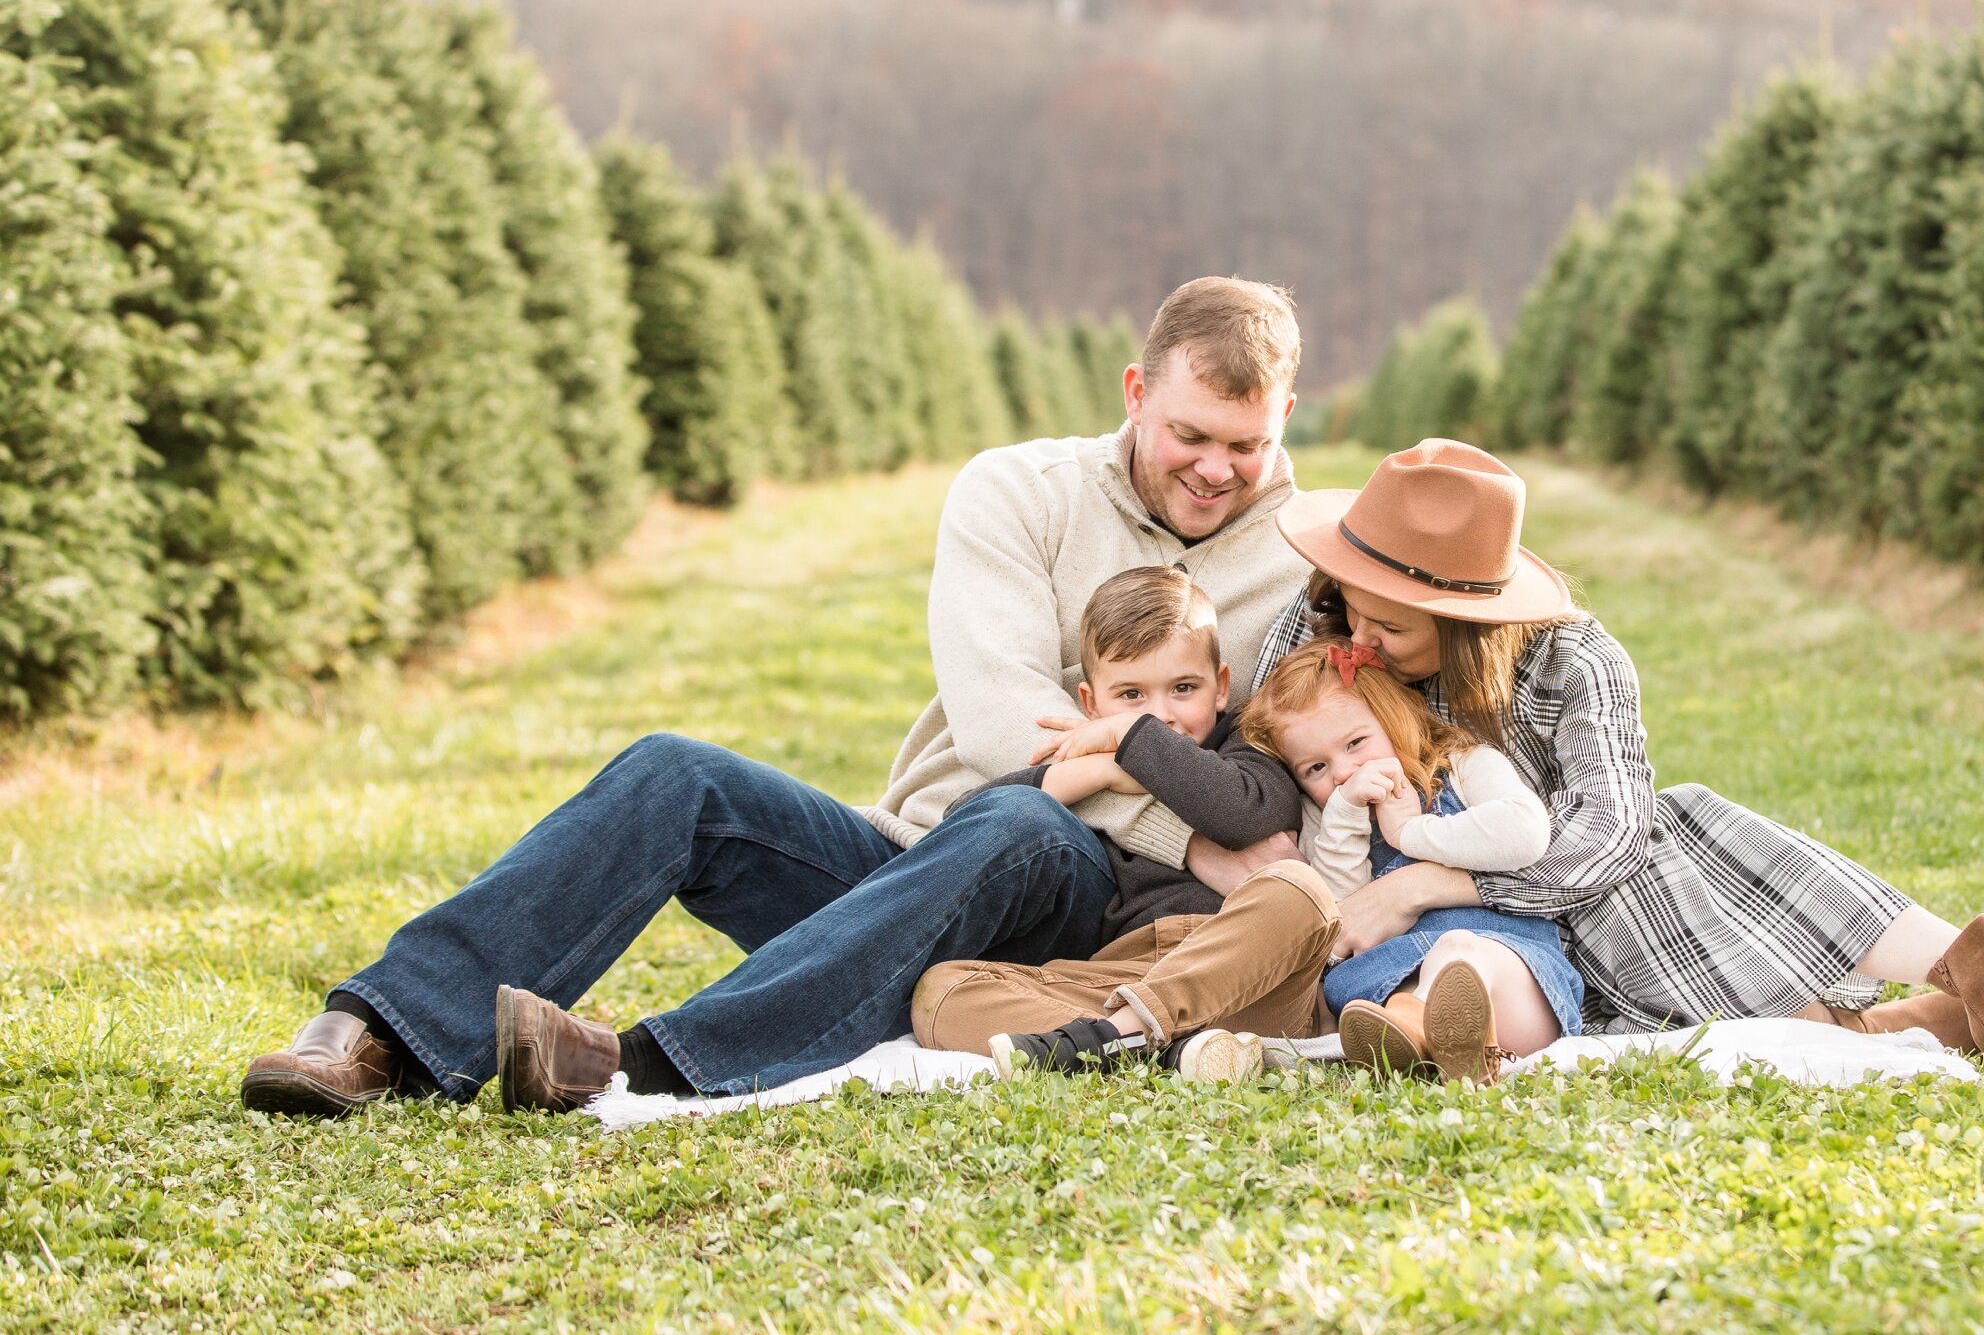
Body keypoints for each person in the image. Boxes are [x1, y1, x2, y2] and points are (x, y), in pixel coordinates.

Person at [240, 277, 1313, 1116]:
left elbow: (1296, 755)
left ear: (1283, 425)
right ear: (1135, 393)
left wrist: (1149, 830)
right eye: (1190, 435)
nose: (1216, 469)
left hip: (1088, 914)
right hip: (914, 854)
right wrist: (1191, 836)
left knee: (1030, 820)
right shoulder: (1017, 492)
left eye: (1246, 445)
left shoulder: (1304, 560)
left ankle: (637, 1060)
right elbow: (1001, 732)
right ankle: (380, 1028)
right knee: (677, 775)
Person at [1246, 438, 1984, 1077]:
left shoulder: (1576, 661)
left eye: (1391, 625)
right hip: (1439, 911)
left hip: (1578, 894)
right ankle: (1919, 1018)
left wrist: (1432, 880)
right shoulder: (1330, 624)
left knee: (1679, 821)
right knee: (1658, 848)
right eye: (1352, 608)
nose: (1358, 636)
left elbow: (1607, 841)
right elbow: (1264, 740)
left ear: (1472, 621)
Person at [910, 566, 1336, 1082]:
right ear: (1090, 704)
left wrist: (1132, 739)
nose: (1161, 716)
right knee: (942, 991)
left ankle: (1118, 1041)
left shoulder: (1243, 742)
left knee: (1301, 891)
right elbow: (970, 827)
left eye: (1183, 688)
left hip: (1247, 975)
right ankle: (1163, 1049)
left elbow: (1247, 812)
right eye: (1131, 695)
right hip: (1122, 976)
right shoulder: (1095, 766)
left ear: (1221, 687)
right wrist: (1096, 771)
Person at [1237, 638, 1577, 1084]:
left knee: (1459, 951)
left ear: (1394, 717)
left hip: (1514, 978)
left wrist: (1411, 834)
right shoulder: (1329, 817)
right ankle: (1435, 1043)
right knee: (1378, 980)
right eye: (1315, 768)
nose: (1342, 772)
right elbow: (1342, 917)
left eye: (1356, 742)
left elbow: (1525, 835)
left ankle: (1419, 1026)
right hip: (1390, 978)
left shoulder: (1465, 766)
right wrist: (1344, 815)